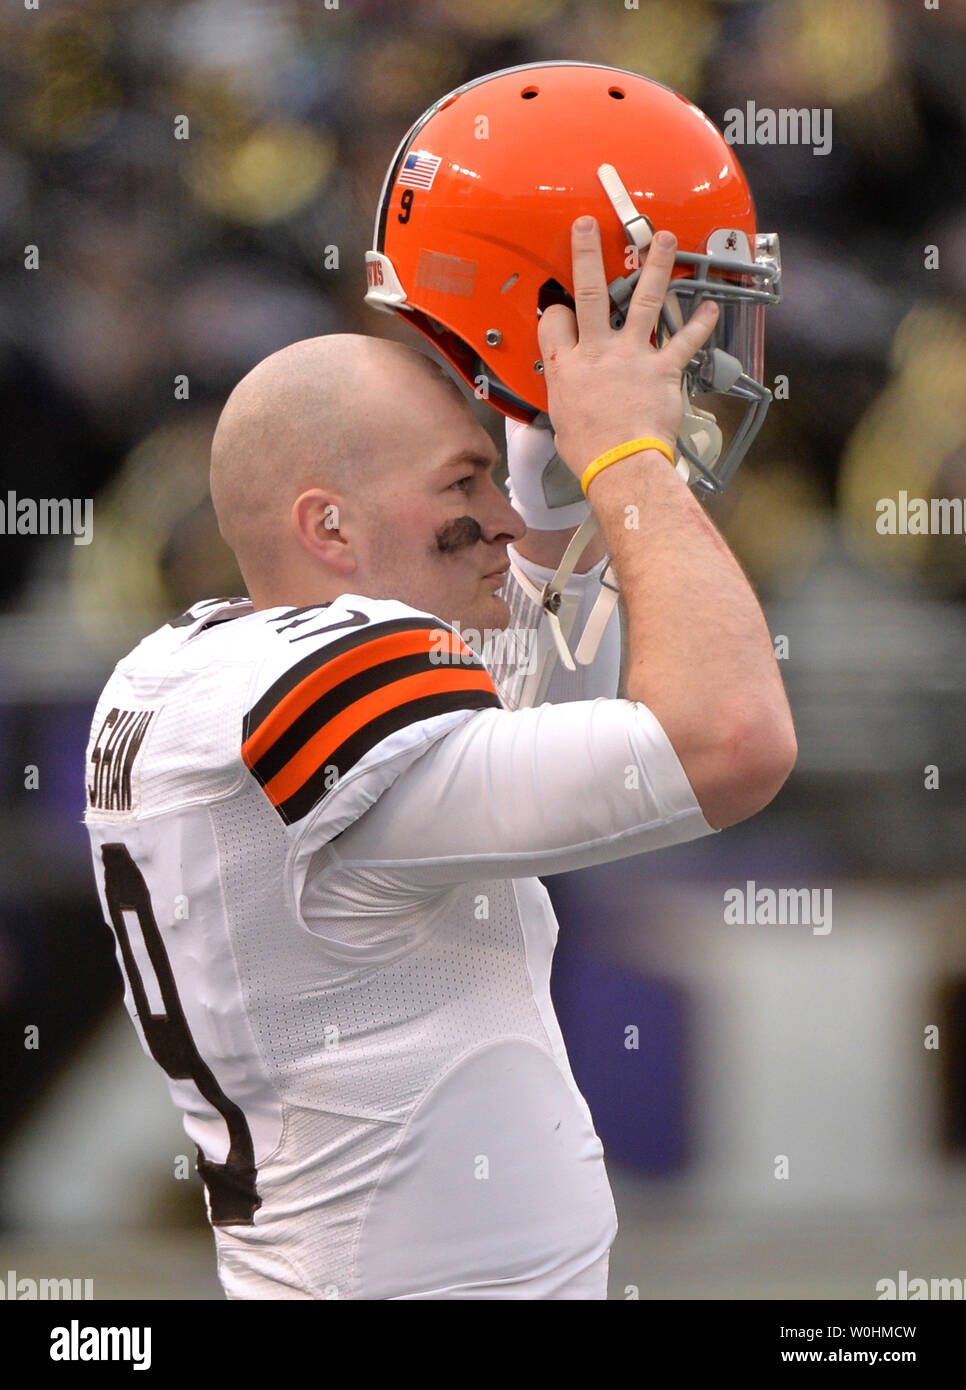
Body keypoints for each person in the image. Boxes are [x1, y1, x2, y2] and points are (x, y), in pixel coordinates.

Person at [83, 213, 795, 1300]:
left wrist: (547, 445)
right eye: (462, 486)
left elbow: (537, 688)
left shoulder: (186, 670)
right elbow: (731, 739)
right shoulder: (313, 702)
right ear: (329, 528)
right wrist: (631, 460)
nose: (501, 517)